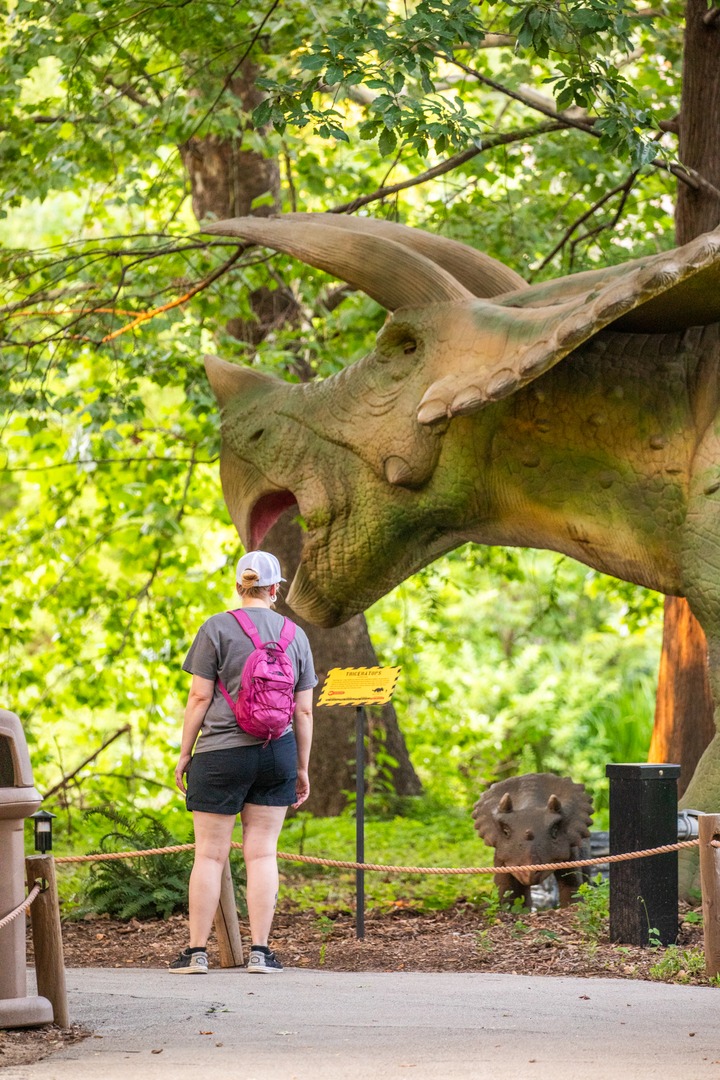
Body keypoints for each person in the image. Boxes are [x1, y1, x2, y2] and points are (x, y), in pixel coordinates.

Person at [170, 550, 316, 975]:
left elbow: (199, 697)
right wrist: (301, 767)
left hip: (220, 754)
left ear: (239, 586)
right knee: (262, 854)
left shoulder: (216, 628)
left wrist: (185, 753)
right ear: (275, 589)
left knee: (210, 855)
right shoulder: (296, 635)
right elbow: (303, 712)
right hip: (277, 751)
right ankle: (261, 952)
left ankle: (196, 953)